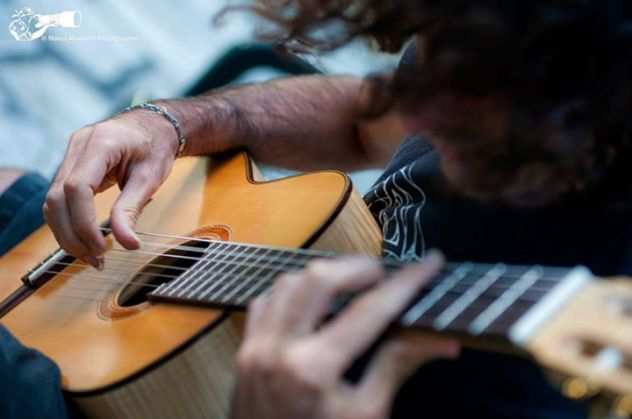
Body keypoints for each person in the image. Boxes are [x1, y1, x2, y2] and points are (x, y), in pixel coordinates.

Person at [6, 0, 632, 418]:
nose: (410, 117)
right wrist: (178, 121)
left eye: (468, 121)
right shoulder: (503, 37)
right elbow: (366, 123)